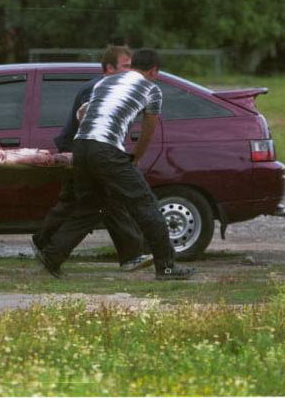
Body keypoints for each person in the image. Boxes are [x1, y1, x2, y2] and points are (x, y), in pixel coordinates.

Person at [37, 48, 194, 280]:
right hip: (106, 149)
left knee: (91, 206)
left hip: (81, 145)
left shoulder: (105, 82)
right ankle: (167, 267)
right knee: (146, 204)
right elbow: (148, 131)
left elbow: (83, 112)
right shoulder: (152, 89)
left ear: (133, 65)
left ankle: (52, 256)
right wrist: (135, 157)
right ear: (153, 71)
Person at [32, 45, 152, 271]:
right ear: (109, 68)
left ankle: (47, 246)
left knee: (85, 203)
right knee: (105, 202)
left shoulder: (114, 87)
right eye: (126, 67)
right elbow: (93, 126)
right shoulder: (99, 88)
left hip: (89, 152)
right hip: (84, 151)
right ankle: (130, 255)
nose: (131, 72)